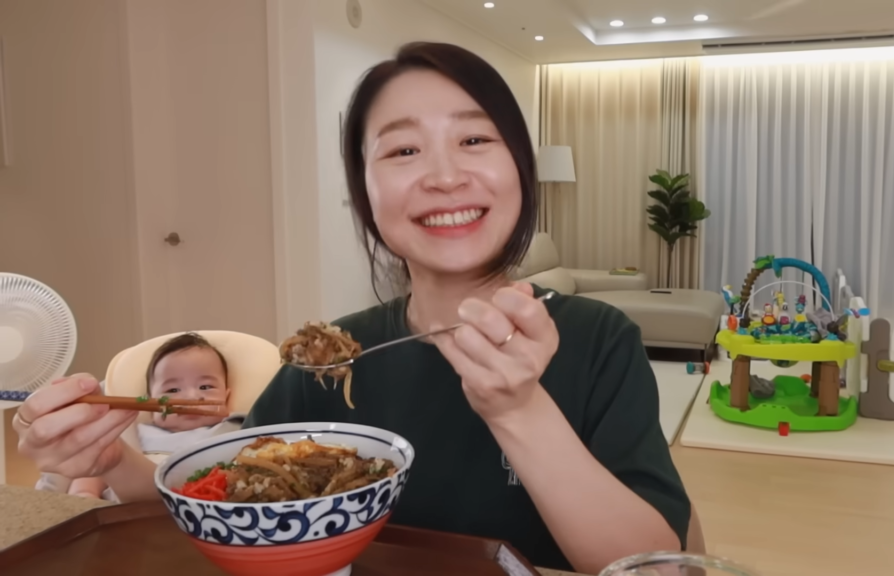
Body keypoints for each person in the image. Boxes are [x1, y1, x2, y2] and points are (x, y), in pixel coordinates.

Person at [14, 42, 691, 574]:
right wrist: (109, 461)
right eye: (402, 149)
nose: (445, 175)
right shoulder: (332, 354)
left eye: (475, 140)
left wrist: (518, 408)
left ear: (520, 166)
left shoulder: (599, 336)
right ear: (365, 194)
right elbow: (213, 498)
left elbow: (656, 569)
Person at [34, 333, 243, 500]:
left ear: (226, 396)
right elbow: (97, 468)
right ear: (152, 403)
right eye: (172, 390)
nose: (191, 396)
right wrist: (85, 493)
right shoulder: (134, 433)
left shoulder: (231, 430)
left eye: (205, 386)